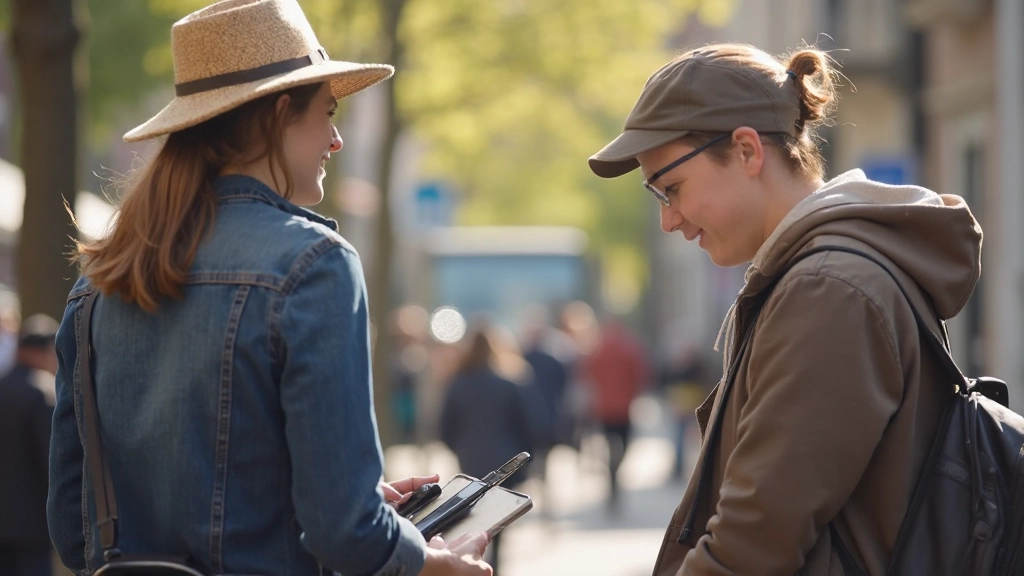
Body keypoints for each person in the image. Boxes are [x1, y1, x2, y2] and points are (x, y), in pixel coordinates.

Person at [46, 1, 490, 575]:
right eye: (328, 113)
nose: (335, 140)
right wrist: (433, 564)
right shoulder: (314, 265)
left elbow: (69, 523)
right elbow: (346, 534)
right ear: (281, 113)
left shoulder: (99, 283)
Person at [588, 43, 981, 574]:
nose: (669, 220)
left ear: (748, 150)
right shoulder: (825, 276)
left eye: (671, 189)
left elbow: (750, 548)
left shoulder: (826, 290)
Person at [439, 324, 534, 575]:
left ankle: (477, 558)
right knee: (500, 517)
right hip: (506, 459)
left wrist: (460, 448)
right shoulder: (509, 382)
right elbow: (527, 424)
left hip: (471, 459)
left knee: (476, 515)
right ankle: (495, 565)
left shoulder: (458, 383)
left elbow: (444, 427)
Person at [0, 314, 59, 576]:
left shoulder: (3, 385)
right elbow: (52, 463)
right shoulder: (42, 392)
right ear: (45, 351)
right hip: (32, 526)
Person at [576, 317, 650, 512]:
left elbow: (586, 373)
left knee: (610, 445)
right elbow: (640, 375)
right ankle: (614, 473)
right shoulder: (629, 347)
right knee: (623, 446)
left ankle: (612, 474)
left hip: (604, 408)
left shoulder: (599, 349)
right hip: (624, 407)